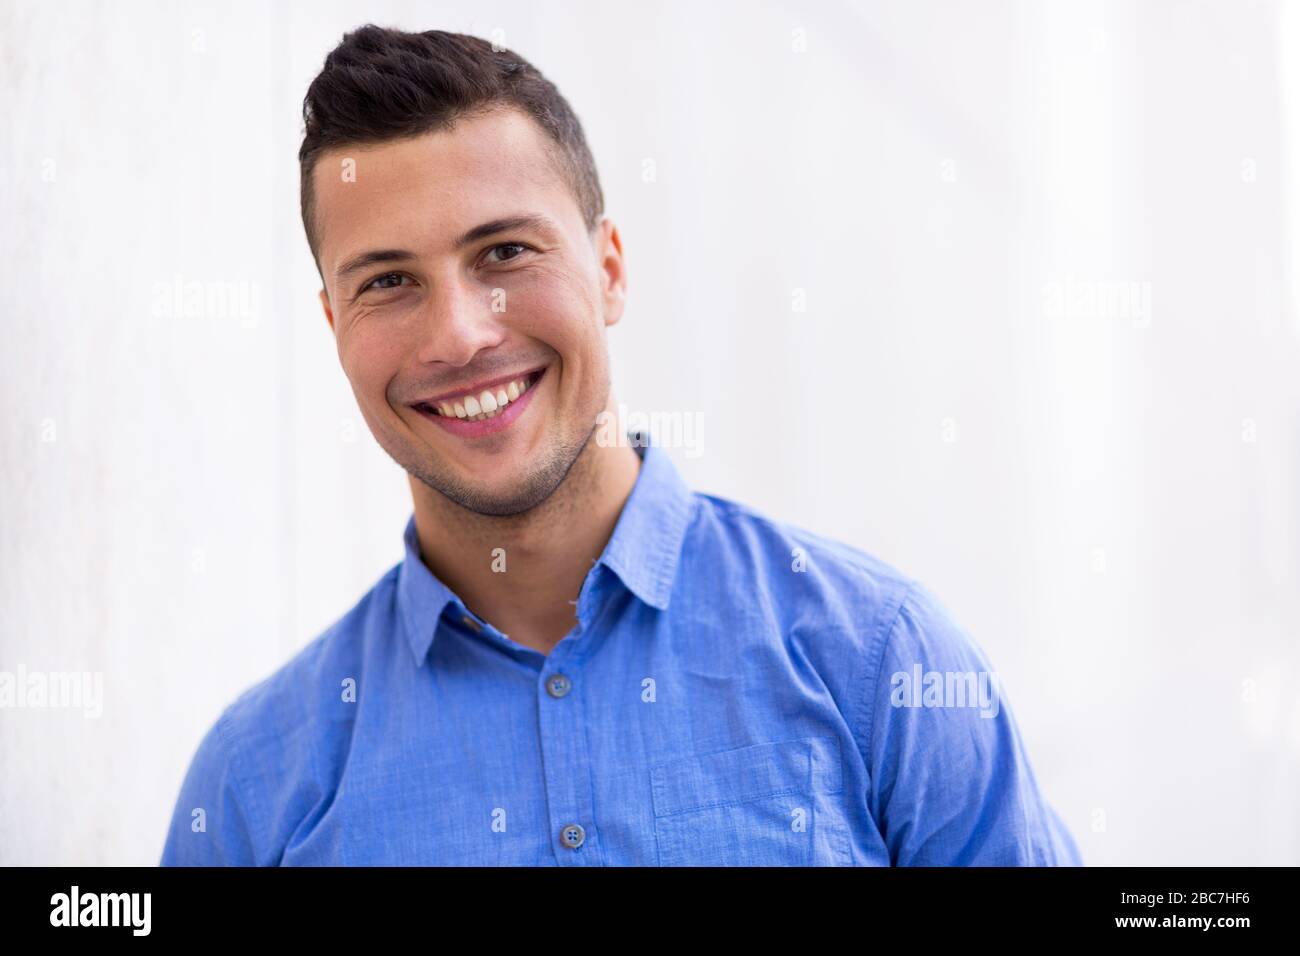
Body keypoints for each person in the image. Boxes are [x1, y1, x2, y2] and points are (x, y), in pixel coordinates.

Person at [161, 24, 1081, 866]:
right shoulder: (253, 790)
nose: (458, 335)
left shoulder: (880, 662)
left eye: (505, 253)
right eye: (389, 280)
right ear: (332, 324)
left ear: (609, 269)